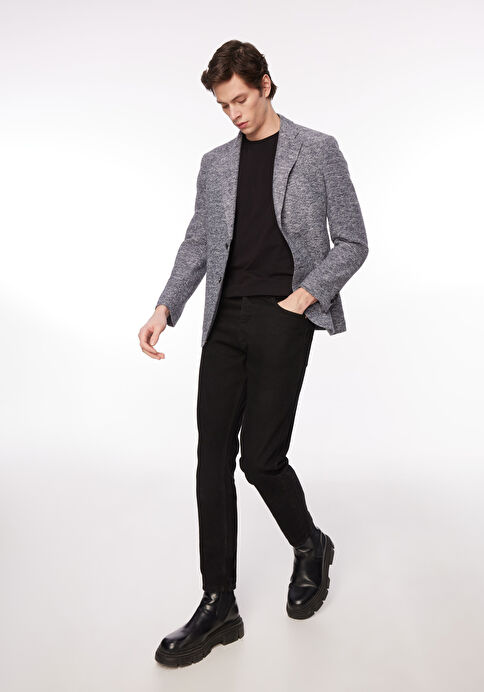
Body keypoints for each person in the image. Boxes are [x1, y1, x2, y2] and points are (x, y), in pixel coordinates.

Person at [138, 39, 369, 668]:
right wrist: (165, 307)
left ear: (265, 83)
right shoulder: (215, 164)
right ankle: (219, 604)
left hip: (283, 316)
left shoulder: (317, 150)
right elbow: (198, 242)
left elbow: (352, 241)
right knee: (210, 460)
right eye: (223, 105)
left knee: (261, 459)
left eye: (240, 99)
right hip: (224, 321)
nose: (234, 113)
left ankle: (310, 545)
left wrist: (304, 297)